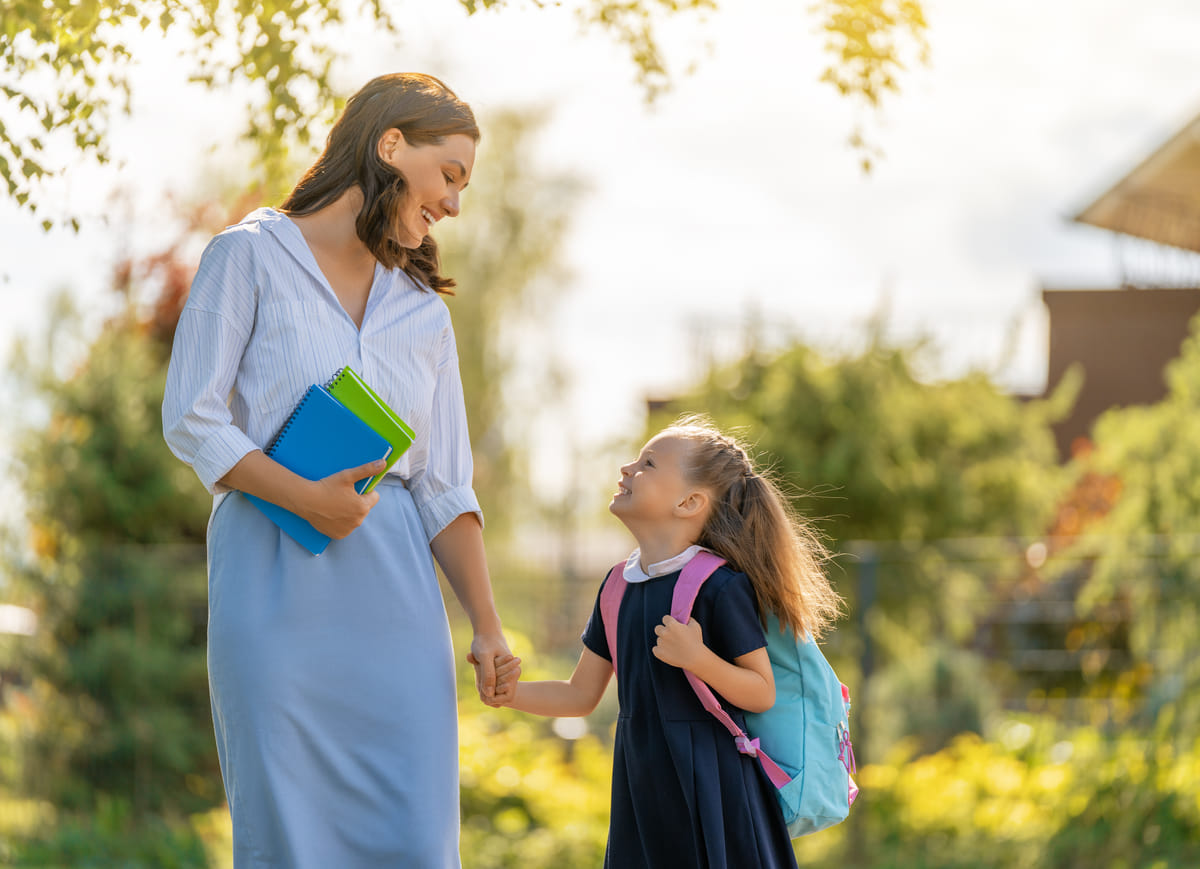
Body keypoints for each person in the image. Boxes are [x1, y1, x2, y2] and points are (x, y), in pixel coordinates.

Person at [162, 72, 517, 868]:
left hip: (396, 596)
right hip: (272, 573)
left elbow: (442, 483)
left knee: (418, 841)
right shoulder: (247, 256)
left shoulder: (423, 311)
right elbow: (192, 414)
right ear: (391, 144)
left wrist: (488, 625)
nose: (454, 204)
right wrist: (303, 497)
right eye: (450, 175)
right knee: (290, 834)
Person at [488, 417, 842, 869]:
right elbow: (579, 695)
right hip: (644, 786)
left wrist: (697, 659)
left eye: (647, 464)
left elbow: (760, 690)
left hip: (715, 790)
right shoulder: (618, 586)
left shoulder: (719, 585)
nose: (626, 469)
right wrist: (510, 694)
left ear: (689, 501)